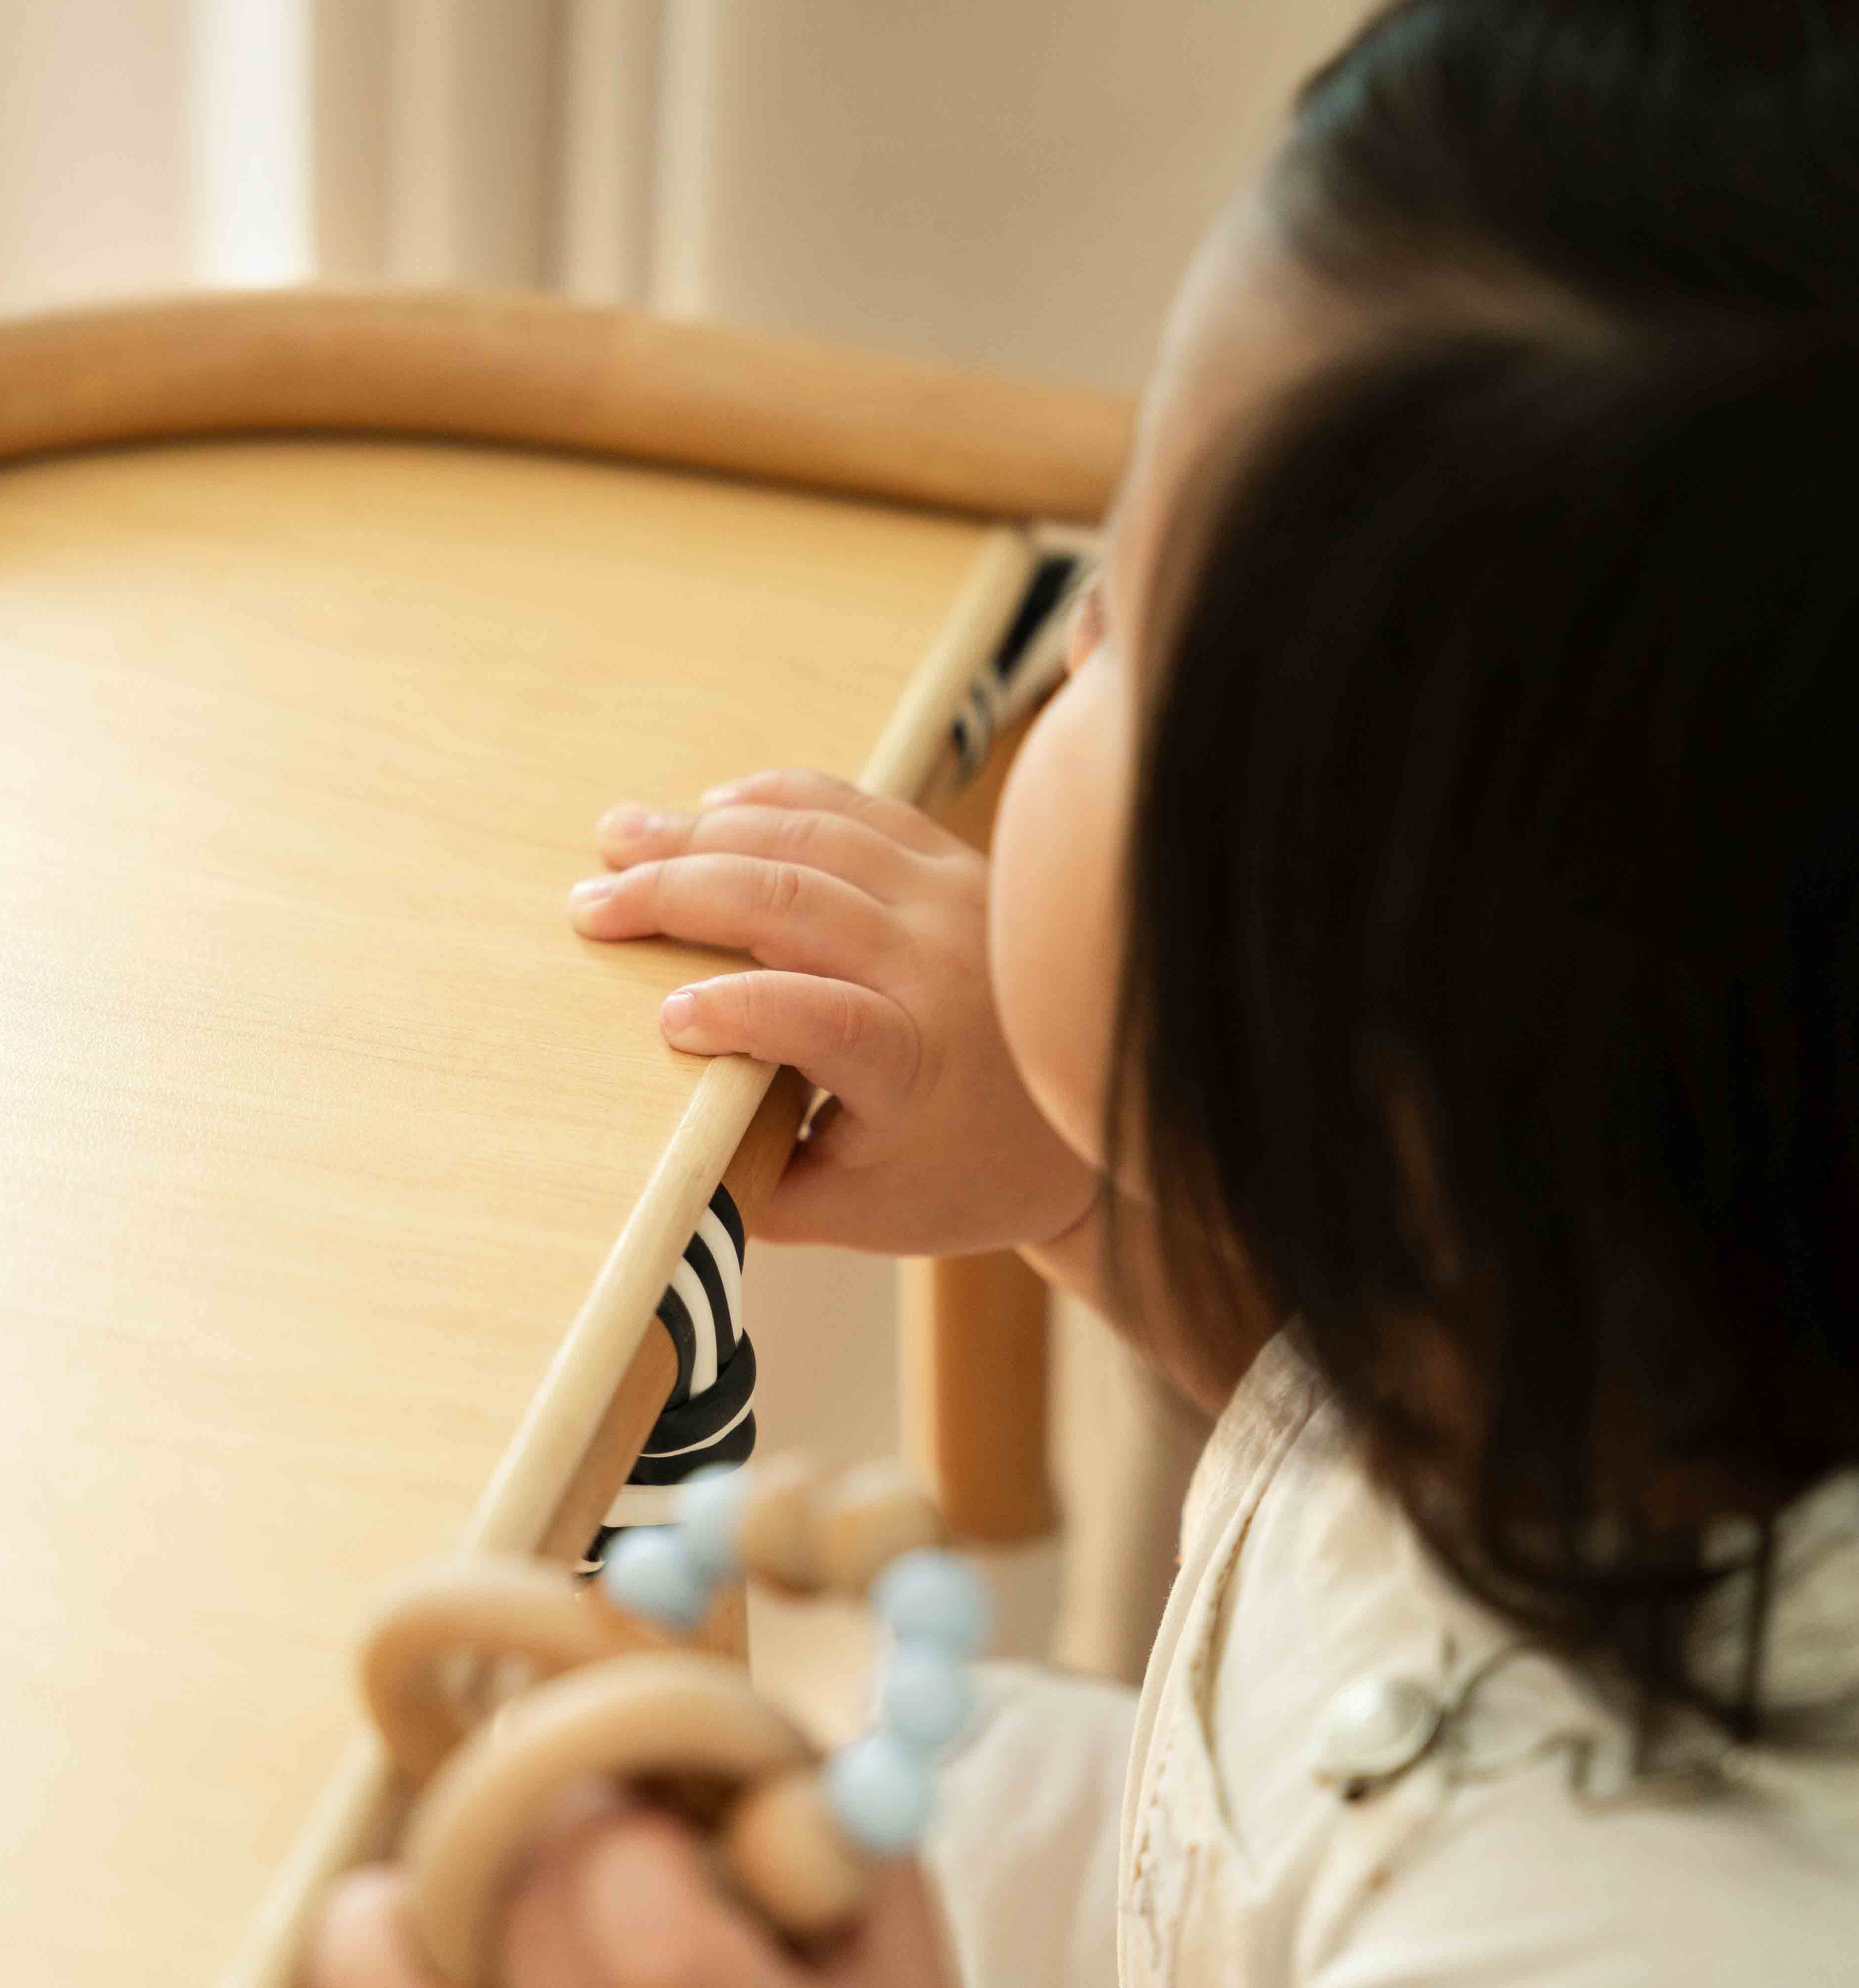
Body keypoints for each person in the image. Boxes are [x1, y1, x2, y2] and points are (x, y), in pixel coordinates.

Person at [312, 3, 1859, 1982]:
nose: (1058, 666)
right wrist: (1082, 1180)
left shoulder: (1626, 1932)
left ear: (1366, 1015)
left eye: (1122, 614)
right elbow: (1348, 1394)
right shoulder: (1632, 1311)